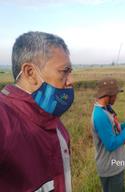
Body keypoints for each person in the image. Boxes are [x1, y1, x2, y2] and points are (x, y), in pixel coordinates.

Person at [0, 31, 74, 191]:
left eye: (70, 72)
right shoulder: (3, 120)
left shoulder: (52, 120)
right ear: (30, 73)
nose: (71, 81)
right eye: (64, 71)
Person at [91, 78, 125, 192]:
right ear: (108, 95)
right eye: (115, 94)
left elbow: (112, 129)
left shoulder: (105, 110)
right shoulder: (100, 115)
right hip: (110, 168)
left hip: (114, 166)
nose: (116, 97)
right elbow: (111, 144)